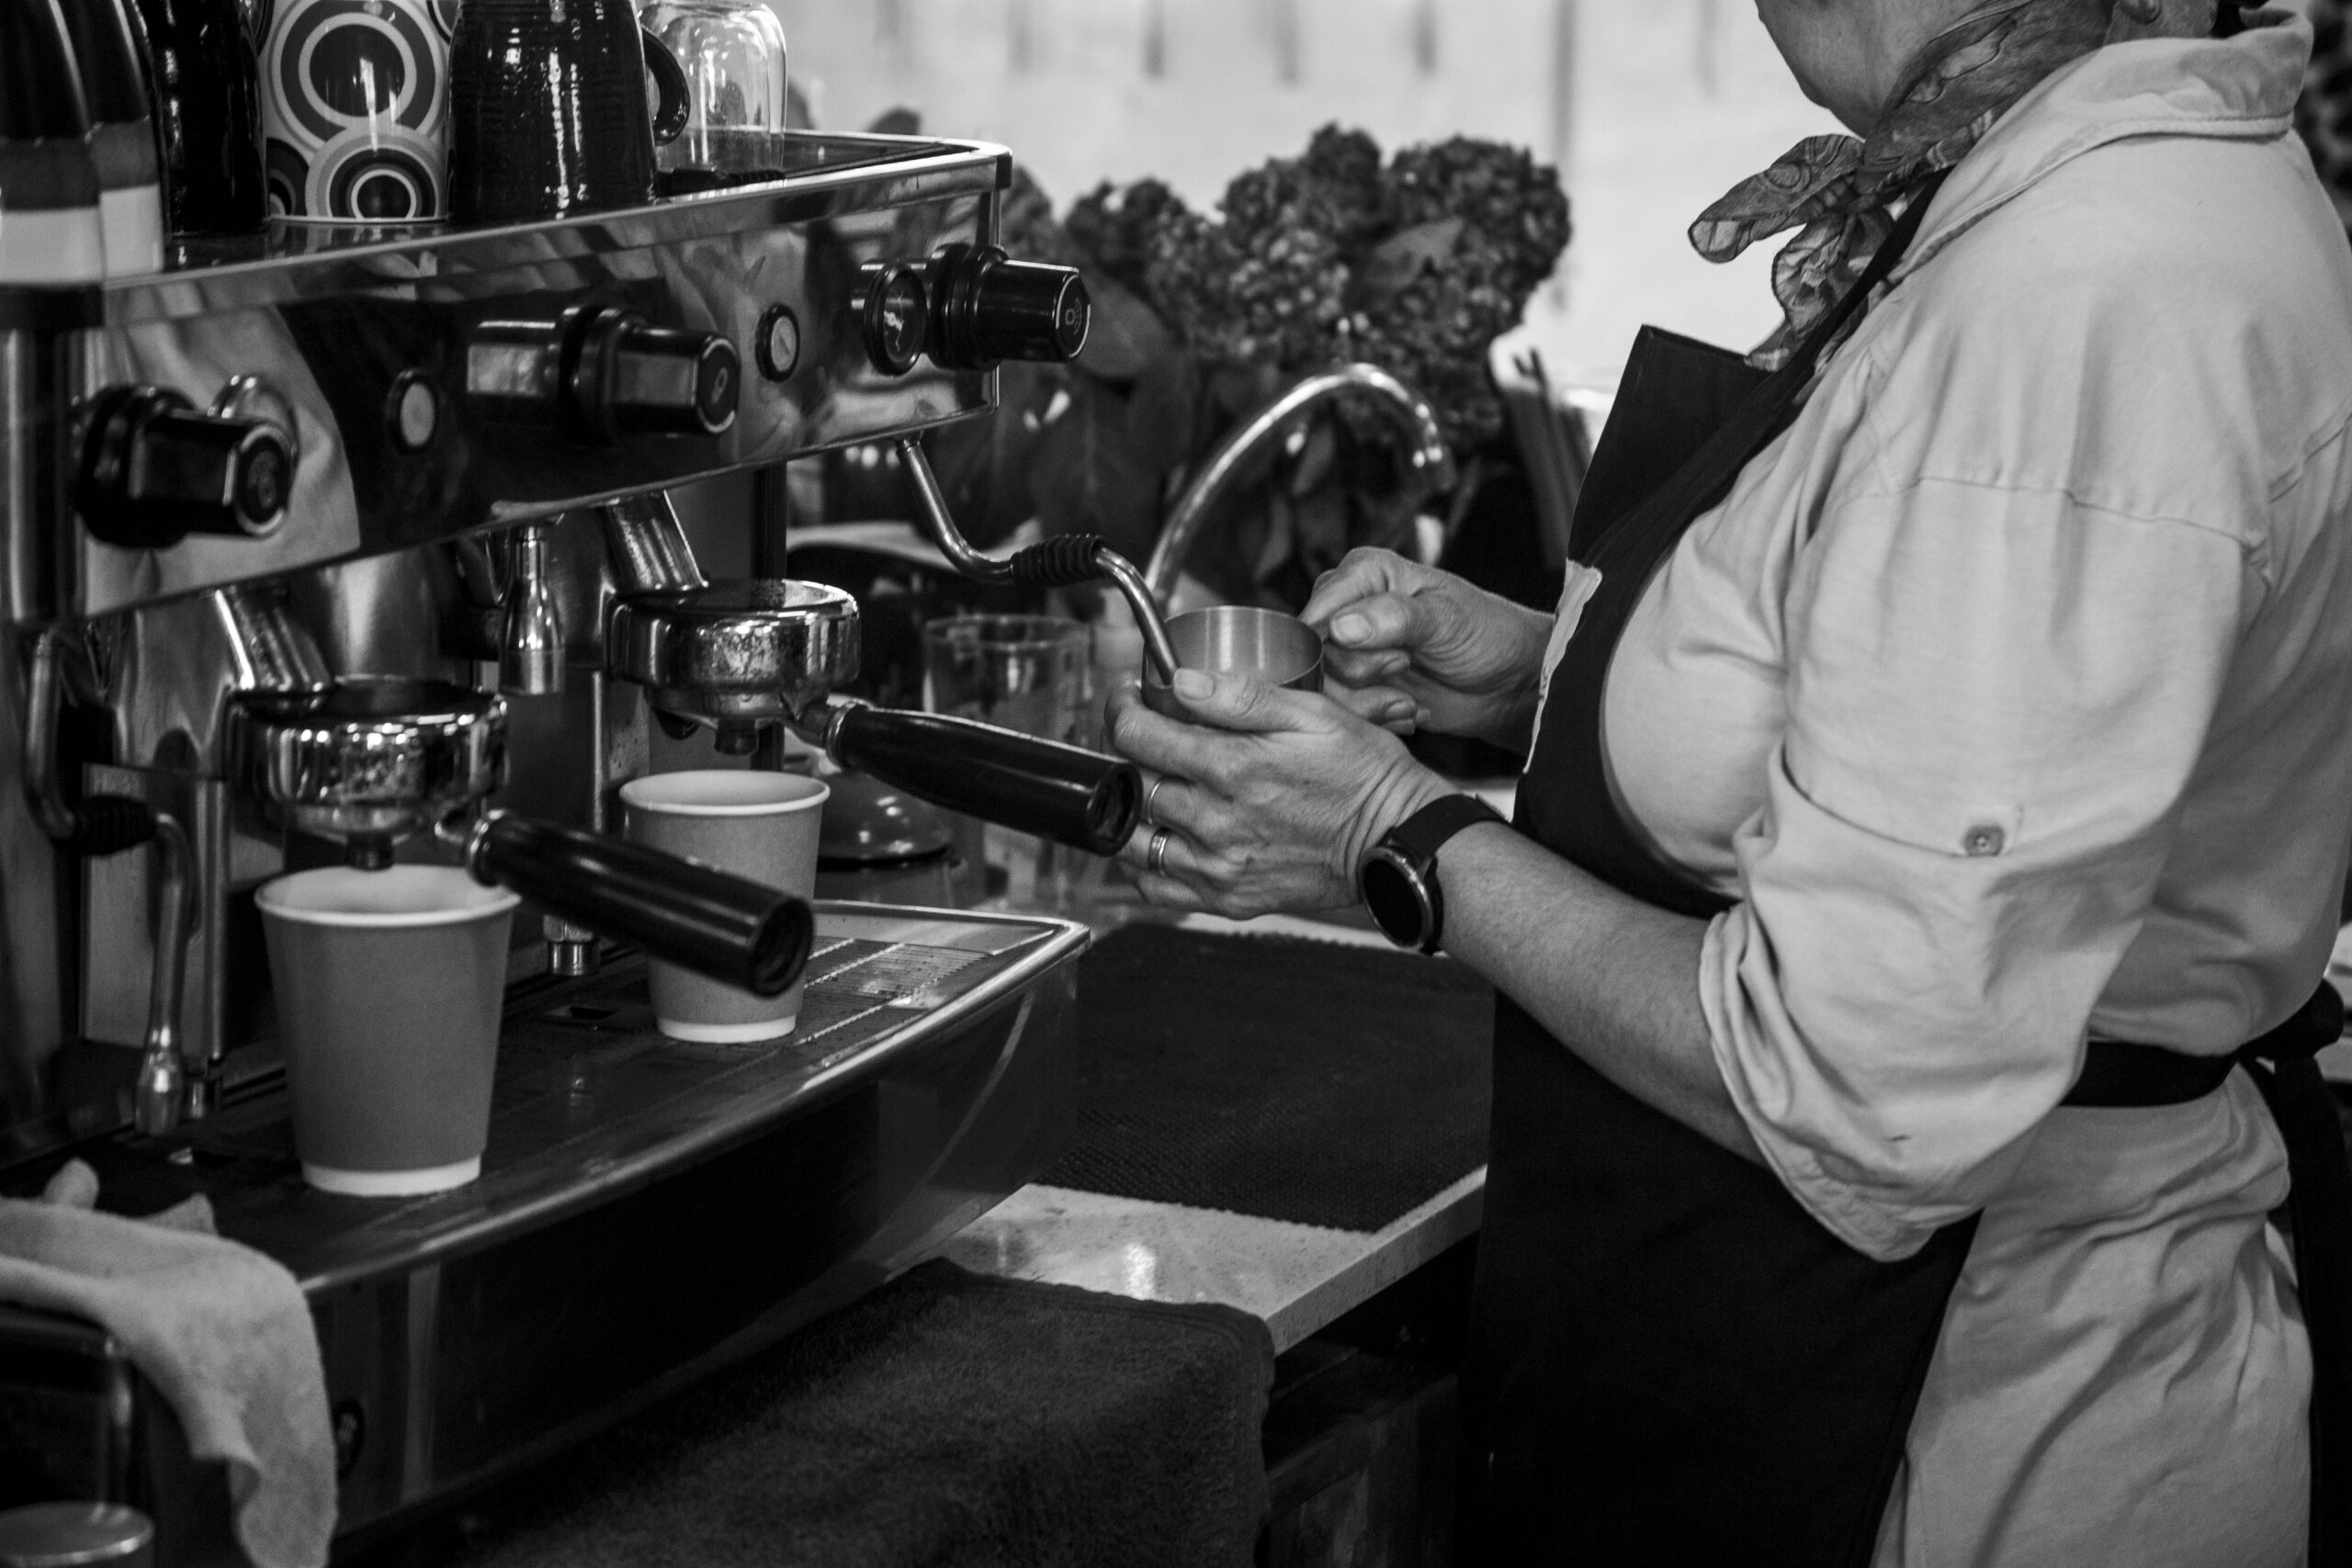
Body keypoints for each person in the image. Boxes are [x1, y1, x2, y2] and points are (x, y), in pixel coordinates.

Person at [1104, 0, 2352, 1562]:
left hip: (1977, 1425)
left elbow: (1855, 1093)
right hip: (1875, 1358)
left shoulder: (2089, 289)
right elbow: (1948, 695)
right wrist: (1551, 675)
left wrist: (1391, 832)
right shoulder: (2094, 168)